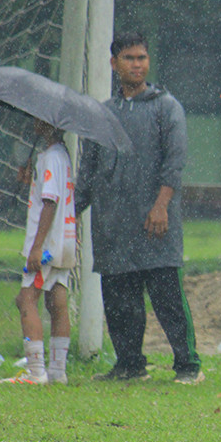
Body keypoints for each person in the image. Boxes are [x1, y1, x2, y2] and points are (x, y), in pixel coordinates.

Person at [77, 31, 202, 385]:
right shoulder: (102, 113)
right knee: (119, 302)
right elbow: (87, 173)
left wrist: (161, 206)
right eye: (129, 58)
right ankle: (130, 365)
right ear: (114, 63)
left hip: (155, 223)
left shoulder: (167, 107)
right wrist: (67, 216)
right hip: (112, 225)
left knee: (168, 298)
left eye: (142, 57)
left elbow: (174, 163)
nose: (137, 64)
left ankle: (188, 366)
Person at [1, 119, 75, 385]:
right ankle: (57, 371)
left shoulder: (51, 157)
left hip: (46, 246)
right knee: (57, 300)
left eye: (38, 119)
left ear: (48, 124)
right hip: (64, 240)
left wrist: (36, 247)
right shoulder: (60, 155)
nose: (33, 122)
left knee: (26, 299)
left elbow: (50, 201)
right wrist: (31, 175)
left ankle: (35, 372)